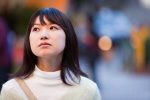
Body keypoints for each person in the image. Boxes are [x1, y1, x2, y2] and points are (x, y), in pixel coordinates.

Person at [0, 8, 101, 100]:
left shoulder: (88, 91)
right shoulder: (11, 90)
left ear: (68, 36)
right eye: (36, 29)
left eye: (52, 28)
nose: (43, 35)